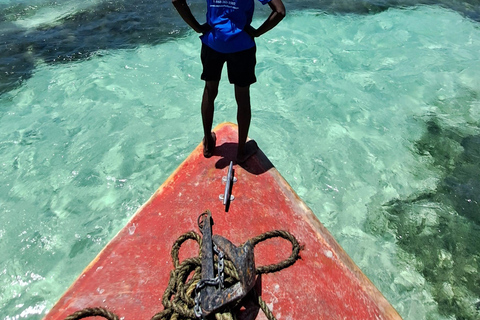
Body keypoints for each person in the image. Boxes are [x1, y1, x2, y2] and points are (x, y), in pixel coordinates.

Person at [172, 0, 286, 163]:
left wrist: (197, 27)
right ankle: (240, 151)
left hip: (213, 43)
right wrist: (258, 32)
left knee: (210, 91)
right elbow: (280, 11)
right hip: (242, 46)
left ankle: (208, 143)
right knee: (242, 97)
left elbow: (177, 1)